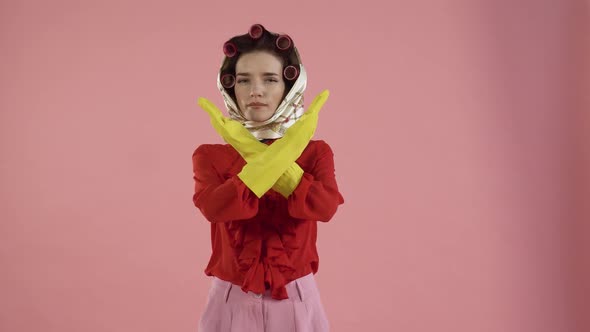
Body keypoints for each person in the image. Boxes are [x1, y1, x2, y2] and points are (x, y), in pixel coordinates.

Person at [192, 23, 344, 332]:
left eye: (270, 79)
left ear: (290, 87)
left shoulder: (315, 153)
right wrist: (283, 147)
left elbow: (324, 207)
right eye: (244, 80)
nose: (255, 91)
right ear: (229, 86)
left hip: (298, 301)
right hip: (230, 303)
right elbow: (216, 208)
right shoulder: (210, 156)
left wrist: (253, 148)